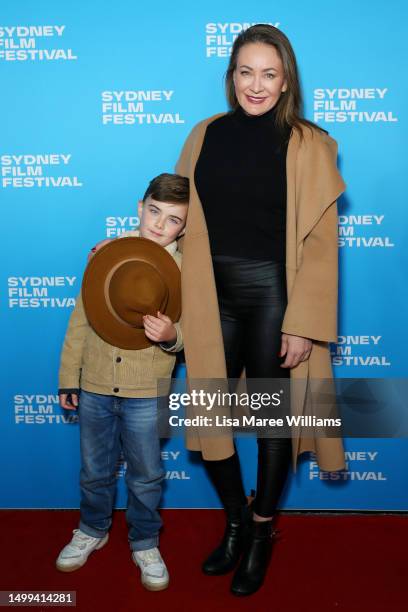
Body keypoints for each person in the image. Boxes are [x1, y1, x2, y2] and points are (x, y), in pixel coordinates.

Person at [175, 24, 346, 596]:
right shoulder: (205, 134)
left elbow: (321, 245)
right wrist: (129, 250)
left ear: (286, 79)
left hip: (273, 291)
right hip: (207, 293)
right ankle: (235, 523)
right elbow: (172, 216)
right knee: (211, 412)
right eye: (245, 71)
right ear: (231, 76)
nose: (256, 85)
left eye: (269, 73)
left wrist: (303, 320)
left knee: (275, 419)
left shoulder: (309, 144)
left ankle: (264, 529)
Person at [56, 173, 189, 592]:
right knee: (95, 471)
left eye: (172, 220)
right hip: (95, 383)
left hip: (147, 390)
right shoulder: (106, 254)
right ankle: (92, 529)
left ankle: (145, 540)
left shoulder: (187, 271)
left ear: (184, 228)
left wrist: (172, 337)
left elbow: (195, 331)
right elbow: (80, 320)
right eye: (153, 212)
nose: (158, 225)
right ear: (140, 206)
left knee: (147, 474)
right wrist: (68, 379)